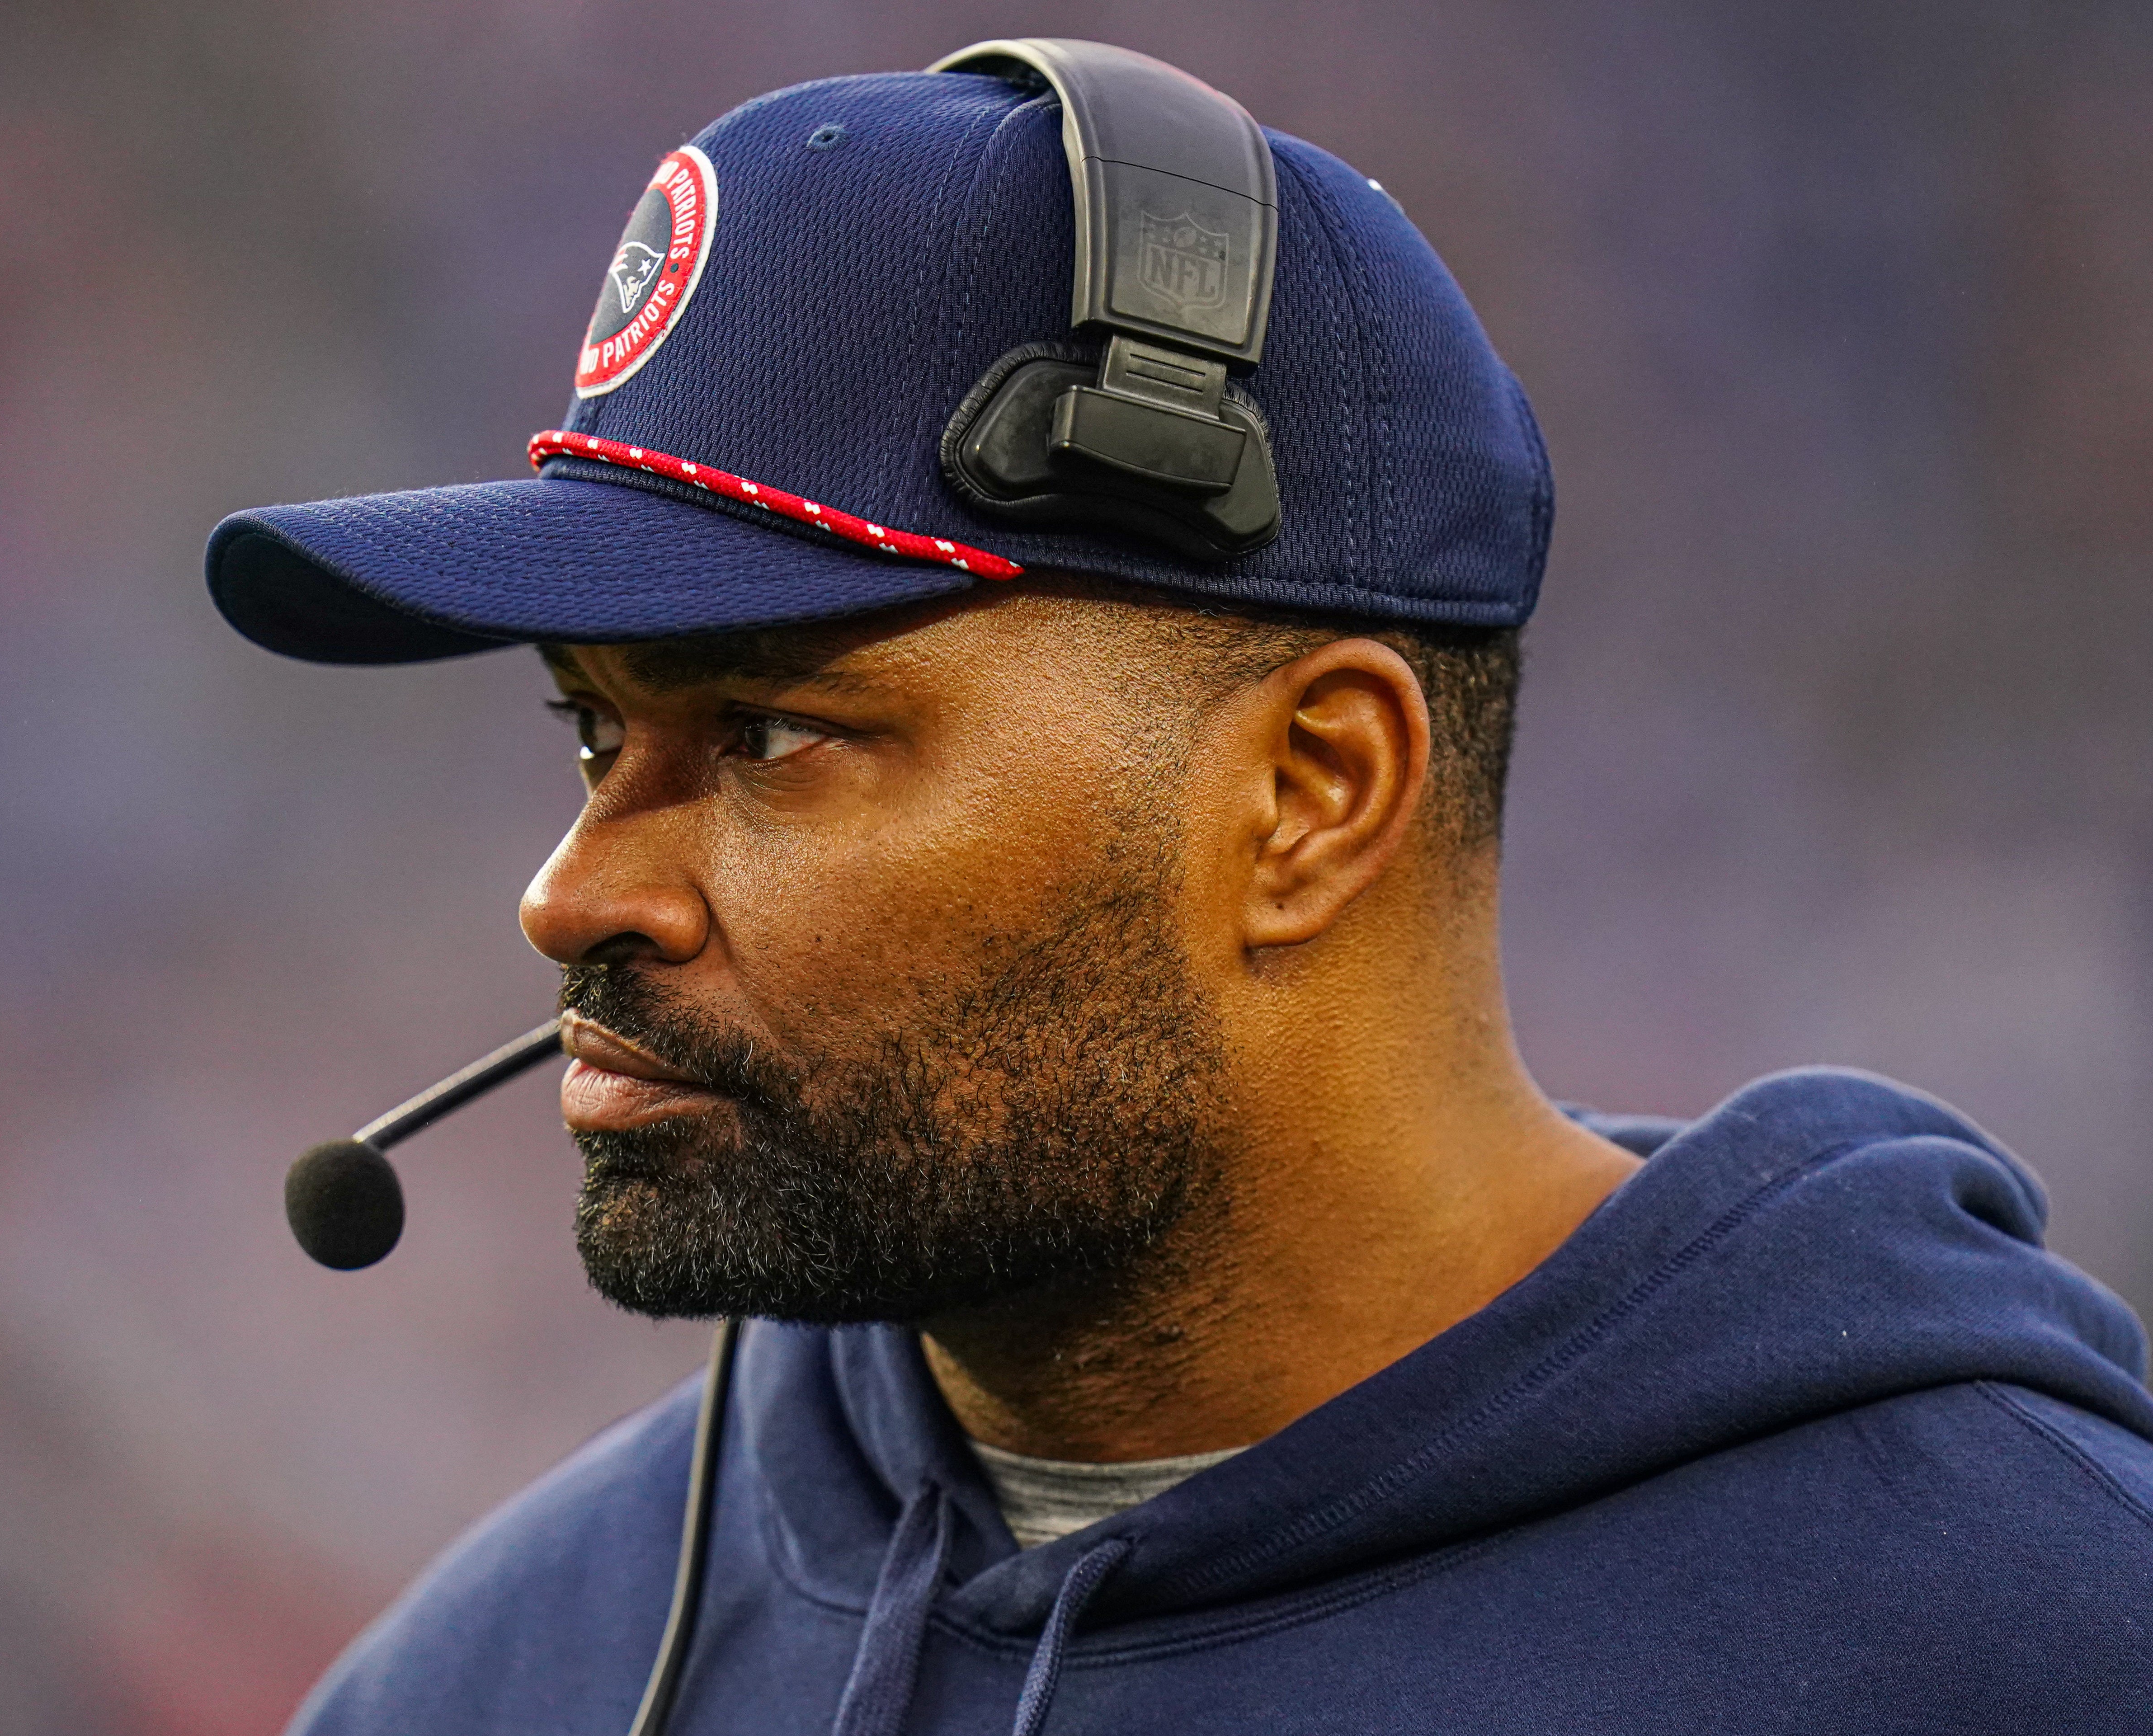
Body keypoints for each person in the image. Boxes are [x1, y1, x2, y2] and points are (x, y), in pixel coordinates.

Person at [205, 41, 2153, 1736]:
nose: (573, 895)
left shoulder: (2034, 1640)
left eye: (777, 731)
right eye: (591, 731)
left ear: (1311, 793)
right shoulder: (492, 1680)